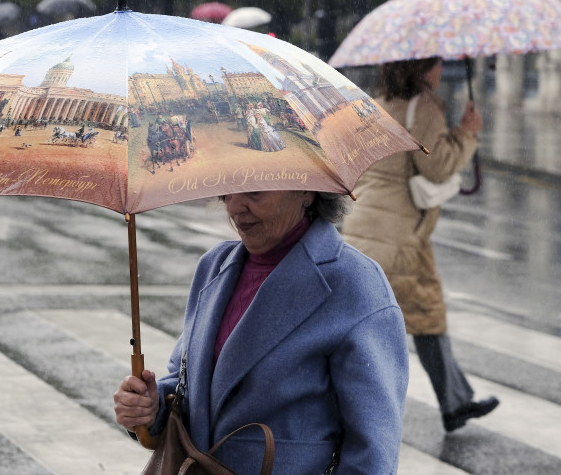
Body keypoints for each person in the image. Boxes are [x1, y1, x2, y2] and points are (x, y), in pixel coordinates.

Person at [114, 190, 409, 473]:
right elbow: (186, 387)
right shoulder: (214, 266)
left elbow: (373, 450)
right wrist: (150, 408)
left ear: (307, 191)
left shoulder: (356, 284)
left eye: (256, 192)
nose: (235, 207)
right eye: (230, 189)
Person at [340, 57, 499, 433]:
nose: (441, 69)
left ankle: (455, 401)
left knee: (396, 319)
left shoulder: (378, 103)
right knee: (397, 324)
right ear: (422, 69)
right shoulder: (423, 108)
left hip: (365, 225)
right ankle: (359, 415)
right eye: (436, 63)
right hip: (399, 235)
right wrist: (467, 132)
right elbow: (438, 166)